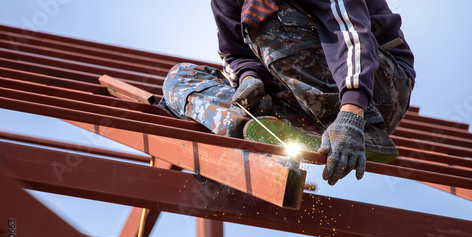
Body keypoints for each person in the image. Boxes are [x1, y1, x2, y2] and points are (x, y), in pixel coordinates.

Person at [159, 0, 415, 185]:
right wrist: (251, 79)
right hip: (304, 95)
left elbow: (350, 34)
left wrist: (352, 112)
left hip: (377, 90)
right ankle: (257, 135)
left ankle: (362, 127)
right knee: (182, 77)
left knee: (265, 10)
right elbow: (235, 53)